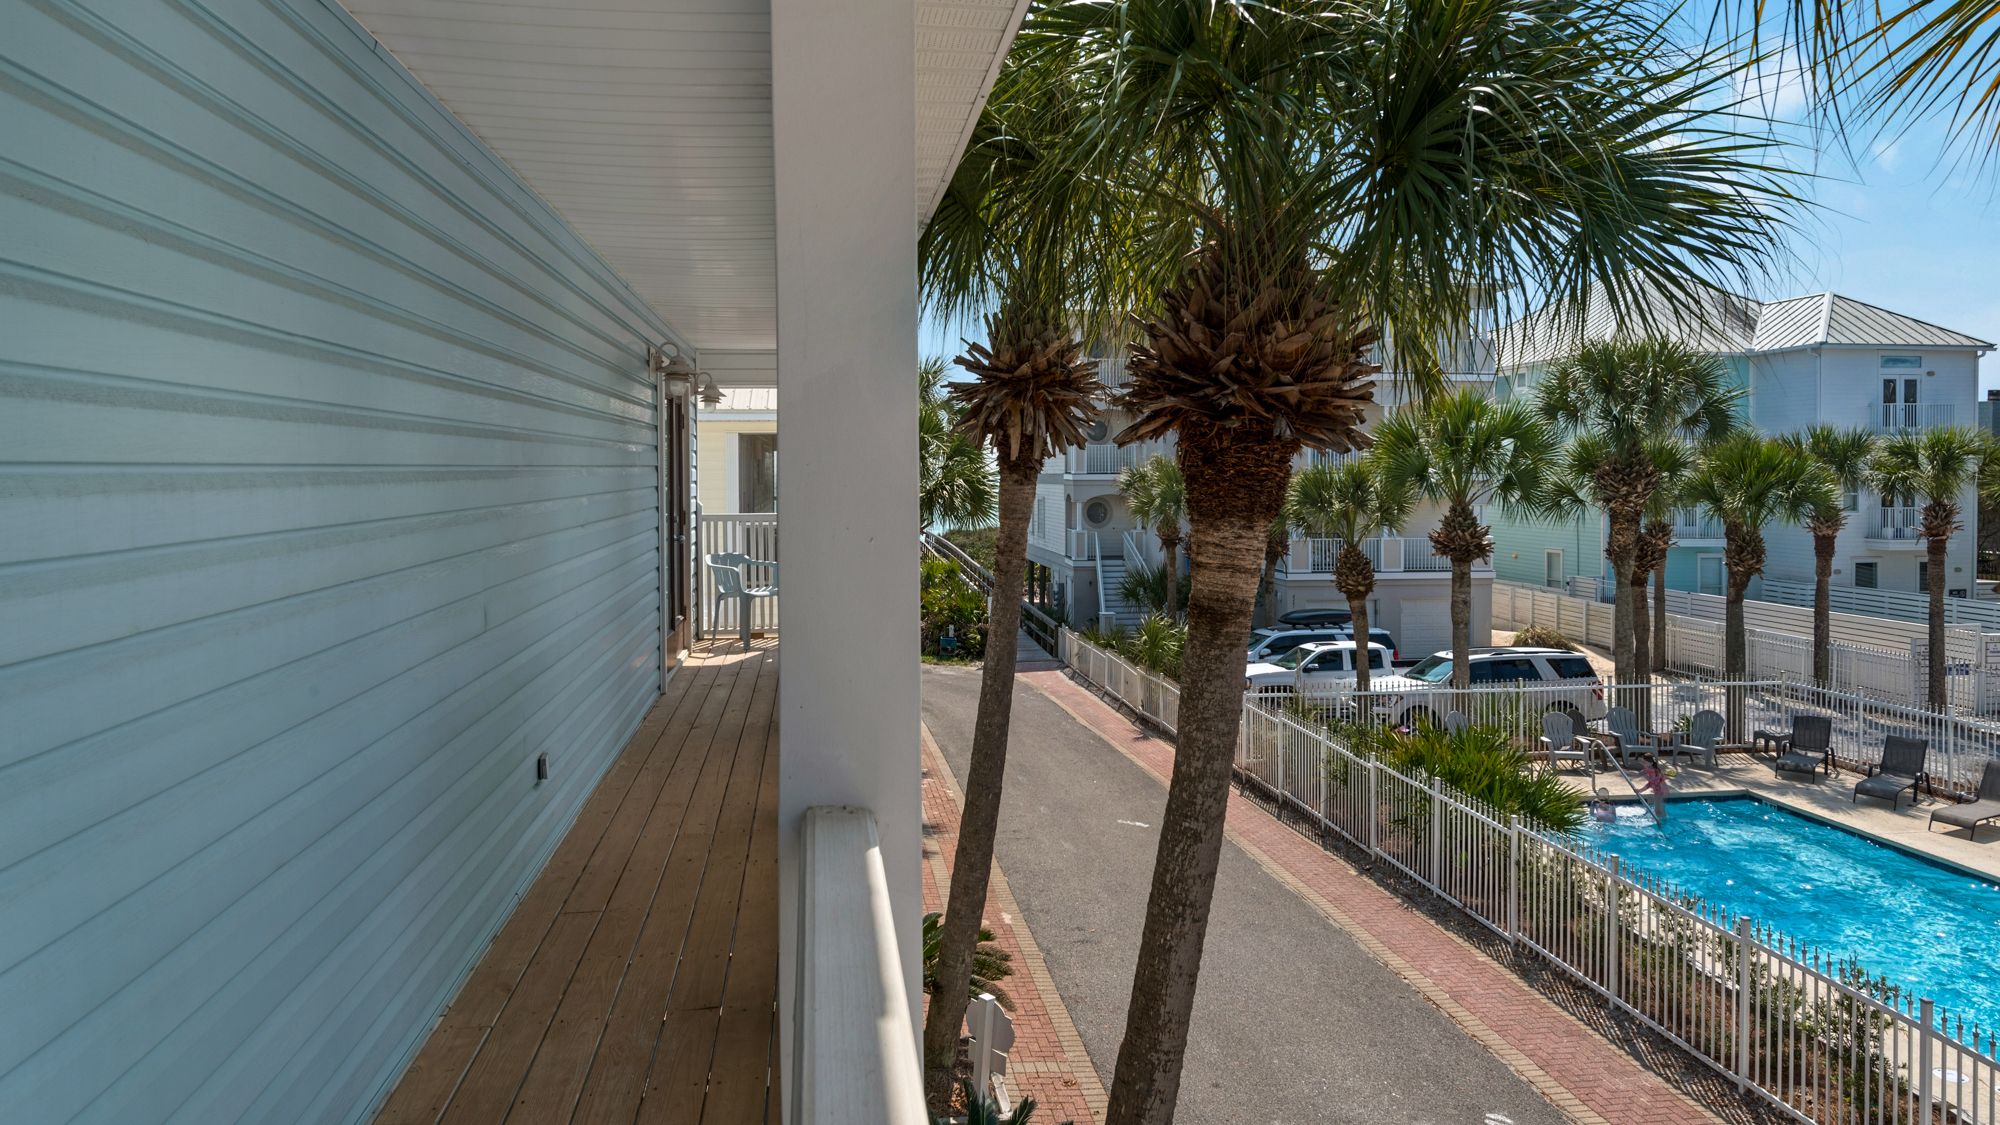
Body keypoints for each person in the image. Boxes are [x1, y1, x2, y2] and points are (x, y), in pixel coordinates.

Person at [1638, 753, 1669, 821]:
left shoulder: (1653, 771)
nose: (1643, 764)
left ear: (1651, 763)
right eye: (1643, 762)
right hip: (1659, 790)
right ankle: (1664, 819)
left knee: (1657, 809)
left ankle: (1660, 821)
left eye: (1645, 762)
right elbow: (1642, 773)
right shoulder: (1651, 768)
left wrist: (1640, 790)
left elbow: (1651, 783)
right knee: (1660, 807)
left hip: (1659, 791)